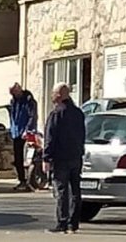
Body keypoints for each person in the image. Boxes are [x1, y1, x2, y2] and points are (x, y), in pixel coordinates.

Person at [43, 82, 85, 234]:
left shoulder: (56, 114)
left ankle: (62, 222)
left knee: (62, 190)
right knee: (75, 191)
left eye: (53, 93)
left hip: (61, 158)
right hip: (75, 157)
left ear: (59, 95)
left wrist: (46, 158)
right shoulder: (78, 113)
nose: (52, 96)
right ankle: (73, 223)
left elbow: (50, 137)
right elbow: (82, 135)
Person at [9, 82, 37, 191]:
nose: (13, 94)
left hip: (26, 133)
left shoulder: (28, 100)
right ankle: (22, 180)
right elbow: (13, 117)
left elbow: (32, 116)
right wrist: (12, 130)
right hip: (16, 133)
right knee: (18, 159)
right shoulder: (13, 101)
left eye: (13, 92)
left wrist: (28, 130)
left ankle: (29, 181)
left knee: (27, 157)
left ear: (18, 89)